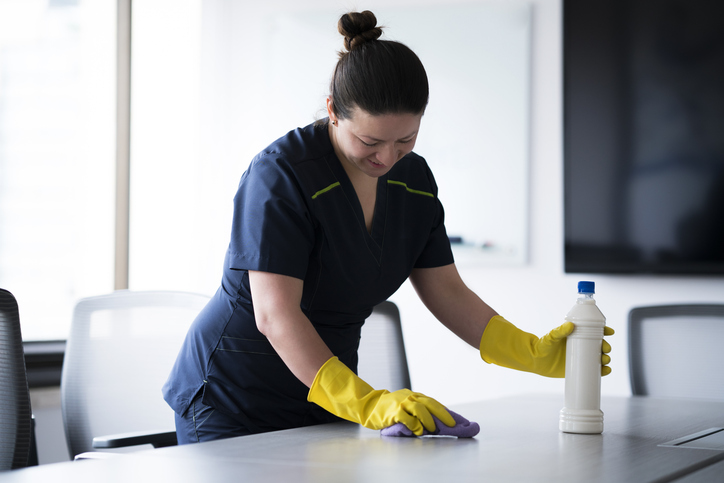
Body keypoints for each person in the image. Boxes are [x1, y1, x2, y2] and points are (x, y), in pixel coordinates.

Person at [163, 10, 613, 444]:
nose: (386, 158)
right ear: (333, 111)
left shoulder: (413, 181)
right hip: (232, 398)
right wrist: (365, 401)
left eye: (406, 139)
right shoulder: (281, 175)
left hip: (325, 402)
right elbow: (275, 314)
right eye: (369, 141)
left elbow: (448, 292)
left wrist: (529, 352)